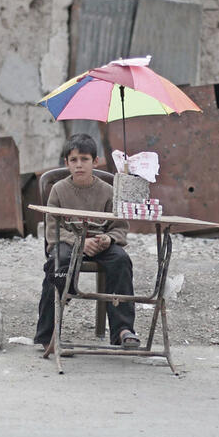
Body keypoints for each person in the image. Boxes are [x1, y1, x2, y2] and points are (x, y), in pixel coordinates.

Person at [34, 133, 139, 352]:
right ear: (66, 163)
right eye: (73, 160)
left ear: (95, 161)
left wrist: (108, 238)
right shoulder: (59, 190)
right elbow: (52, 229)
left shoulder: (108, 191)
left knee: (121, 260)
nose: (79, 165)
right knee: (58, 263)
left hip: (99, 244)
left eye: (84, 159)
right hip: (68, 244)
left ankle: (123, 330)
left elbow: (119, 226)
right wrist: (80, 243)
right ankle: (48, 334)